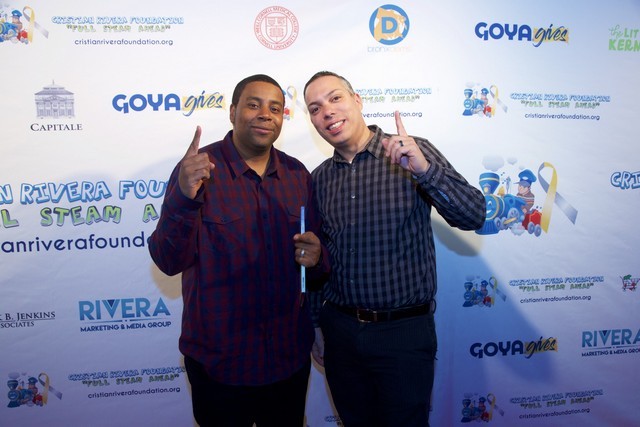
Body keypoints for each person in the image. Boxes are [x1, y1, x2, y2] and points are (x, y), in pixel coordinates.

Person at [303, 71, 486, 427]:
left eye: (335, 98)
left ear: (357, 101)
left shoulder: (409, 151)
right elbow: (317, 259)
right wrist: (316, 324)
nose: (327, 111)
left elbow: (473, 215)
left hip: (403, 334)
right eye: (315, 108)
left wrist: (424, 170)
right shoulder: (319, 178)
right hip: (339, 332)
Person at [148, 74, 328, 427]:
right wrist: (184, 196)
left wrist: (318, 259)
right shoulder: (197, 171)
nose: (265, 114)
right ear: (232, 112)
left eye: (274, 108)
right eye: (253, 104)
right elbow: (168, 260)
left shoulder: (298, 175)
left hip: (287, 361)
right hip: (219, 364)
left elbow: (315, 267)